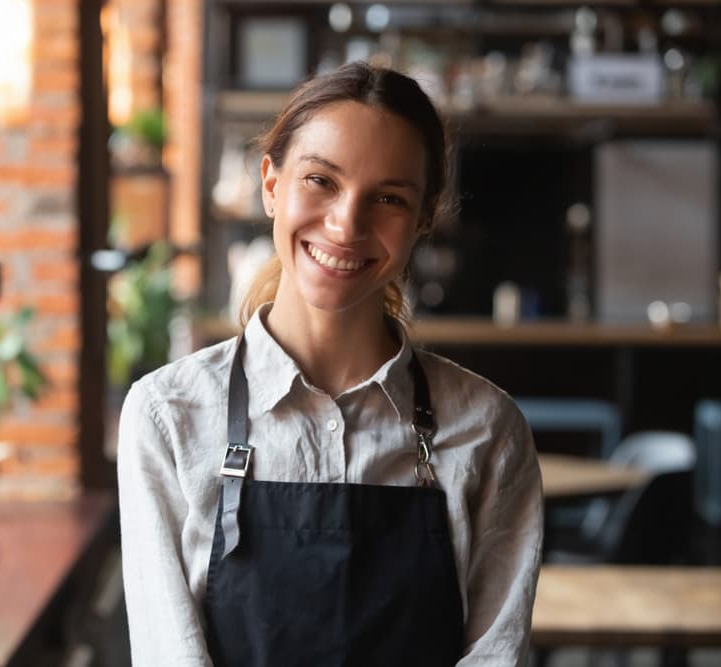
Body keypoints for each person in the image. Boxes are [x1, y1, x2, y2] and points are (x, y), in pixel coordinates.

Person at [117, 61, 543, 666]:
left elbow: (496, 657)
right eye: (322, 180)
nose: (347, 224)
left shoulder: (488, 428)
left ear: (423, 219)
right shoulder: (167, 416)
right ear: (271, 185)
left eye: (389, 197)